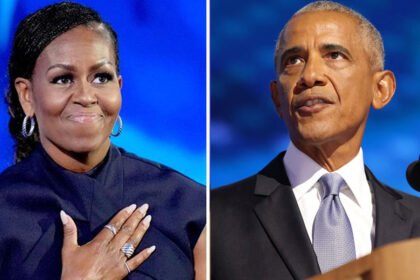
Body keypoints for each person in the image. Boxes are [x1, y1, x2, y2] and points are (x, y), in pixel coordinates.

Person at [211, 1, 420, 279]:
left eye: (334, 55)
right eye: (293, 60)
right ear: (277, 99)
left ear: (380, 89)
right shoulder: (215, 216)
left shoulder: (416, 219)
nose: (309, 76)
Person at [0, 2, 206, 279]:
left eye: (101, 77)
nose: (86, 96)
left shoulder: (190, 205)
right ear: (27, 96)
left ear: (119, 87)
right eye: (62, 79)